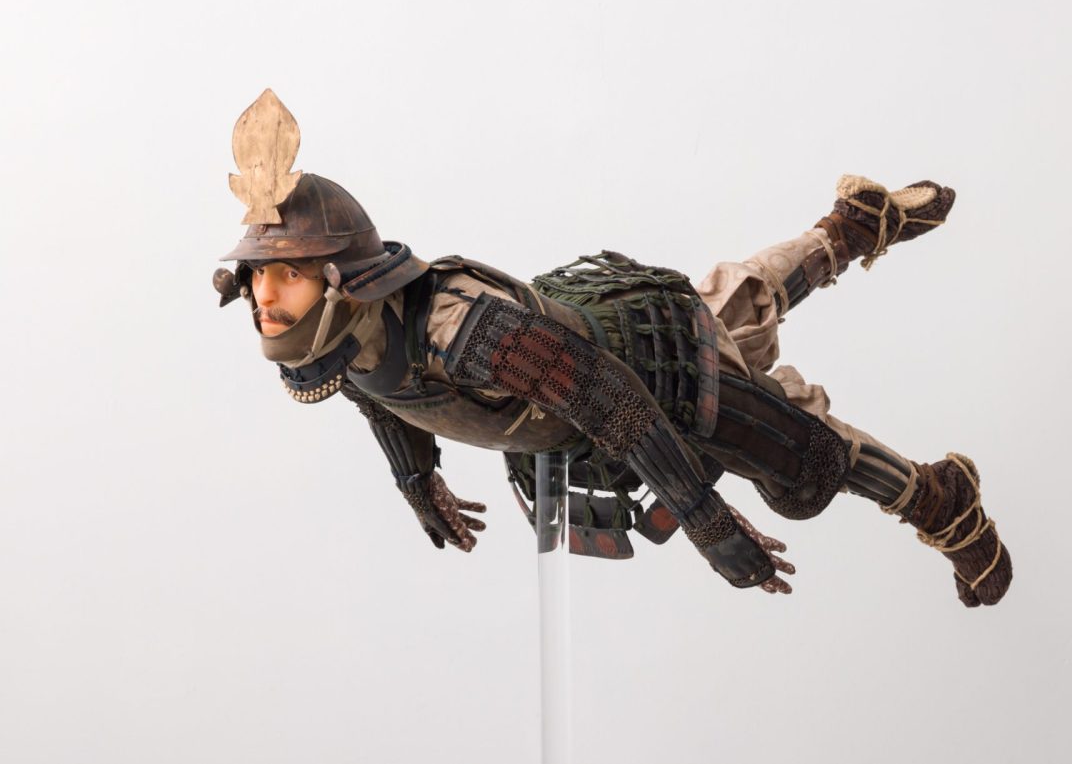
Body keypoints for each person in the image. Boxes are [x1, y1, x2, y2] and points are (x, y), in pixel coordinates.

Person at [215, 90, 1011, 606]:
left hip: (658, 381)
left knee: (806, 455)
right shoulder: (350, 334)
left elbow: (613, 402)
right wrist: (416, 479)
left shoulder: (466, 331)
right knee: (738, 304)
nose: (264, 298)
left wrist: (709, 523)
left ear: (343, 277)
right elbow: (377, 393)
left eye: (287, 274)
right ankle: (853, 228)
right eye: (259, 275)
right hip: (600, 371)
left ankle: (942, 500)